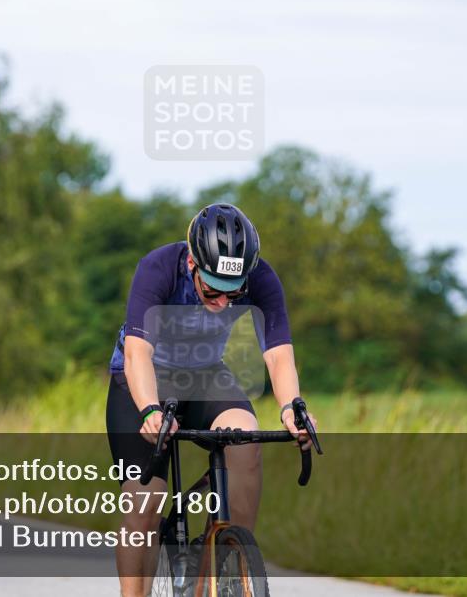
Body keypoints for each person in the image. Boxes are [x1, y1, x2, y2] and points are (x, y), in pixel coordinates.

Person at [105, 202, 316, 597]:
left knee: (247, 438)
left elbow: (278, 353)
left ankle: (226, 562)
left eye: (232, 293)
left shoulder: (262, 278)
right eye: (212, 290)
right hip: (143, 378)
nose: (222, 302)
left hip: (204, 375)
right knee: (144, 505)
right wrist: (150, 409)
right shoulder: (158, 267)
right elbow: (137, 354)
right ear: (191, 263)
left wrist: (291, 407)